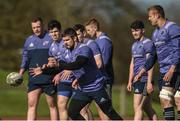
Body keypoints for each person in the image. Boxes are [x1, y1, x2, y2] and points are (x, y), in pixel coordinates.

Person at [30, 28, 123, 120]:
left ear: (74, 38)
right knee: (72, 112)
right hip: (83, 90)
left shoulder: (84, 49)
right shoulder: (66, 52)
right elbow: (60, 68)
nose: (65, 42)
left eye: (67, 40)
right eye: (64, 40)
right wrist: (43, 71)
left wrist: (58, 64)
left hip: (96, 87)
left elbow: (78, 64)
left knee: (109, 111)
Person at [135, 5, 180, 120]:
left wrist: (172, 68)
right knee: (165, 100)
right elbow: (154, 55)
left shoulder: (173, 28)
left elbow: (178, 49)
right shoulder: (155, 34)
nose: (149, 19)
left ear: (157, 15)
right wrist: (143, 70)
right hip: (164, 72)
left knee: (178, 101)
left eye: (150, 16)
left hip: (177, 71)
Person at [19, 17, 58, 120]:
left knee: (52, 106)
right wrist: (21, 72)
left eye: (38, 27)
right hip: (33, 78)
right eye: (34, 27)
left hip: (48, 77)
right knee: (31, 105)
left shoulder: (50, 38)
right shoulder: (29, 40)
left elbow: (57, 54)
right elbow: (25, 57)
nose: (36, 29)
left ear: (42, 26)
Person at [127, 20, 158, 120]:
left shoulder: (148, 43)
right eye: (132, 31)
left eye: (136, 30)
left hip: (144, 80)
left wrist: (149, 82)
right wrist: (129, 81)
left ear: (143, 31)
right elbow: (132, 64)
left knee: (138, 107)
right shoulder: (134, 45)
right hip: (137, 80)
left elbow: (151, 63)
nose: (134, 33)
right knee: (147, 108)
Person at [73, 24, 104, 120]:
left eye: (78, 34)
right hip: (85, 84)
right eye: (75, 35)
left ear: (84, 33)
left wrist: (83, 76)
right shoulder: (77, 47)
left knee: (103, 109)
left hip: (96, 82)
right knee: (83, 109)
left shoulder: (91, 44)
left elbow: (99, 63)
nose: (76, 37)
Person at [85, 18, 113, 120]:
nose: (87, 33)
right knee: (83, 107)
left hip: (104, 79)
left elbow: (103, 63)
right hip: (96, 79)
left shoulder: (104, 41)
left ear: (95, 28)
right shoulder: (96, 41)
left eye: (88, 30)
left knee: (104, 108)